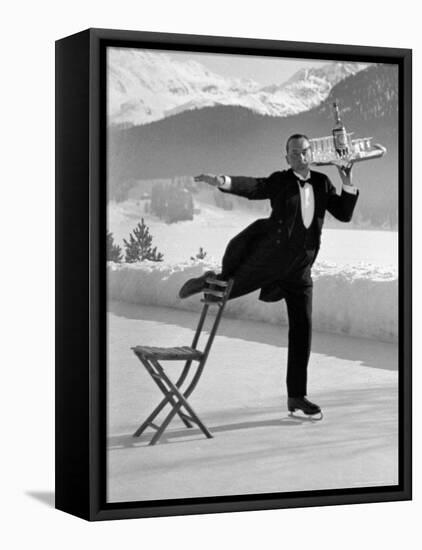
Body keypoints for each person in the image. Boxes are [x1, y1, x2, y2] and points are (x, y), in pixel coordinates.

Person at [179, 134, 359, 417]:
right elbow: (255, 187)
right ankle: (209, 279)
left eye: (304, 152)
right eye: (293, 153)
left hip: (301, 269)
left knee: (302, 331)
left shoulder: (323, 183)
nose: (299, 157)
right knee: (228, 289)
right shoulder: (281, 180)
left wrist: (347, 180)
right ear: (286, 158)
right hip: (271, 259)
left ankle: (296, 396)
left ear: (311, 154)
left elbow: (344, 214)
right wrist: (223, 181)